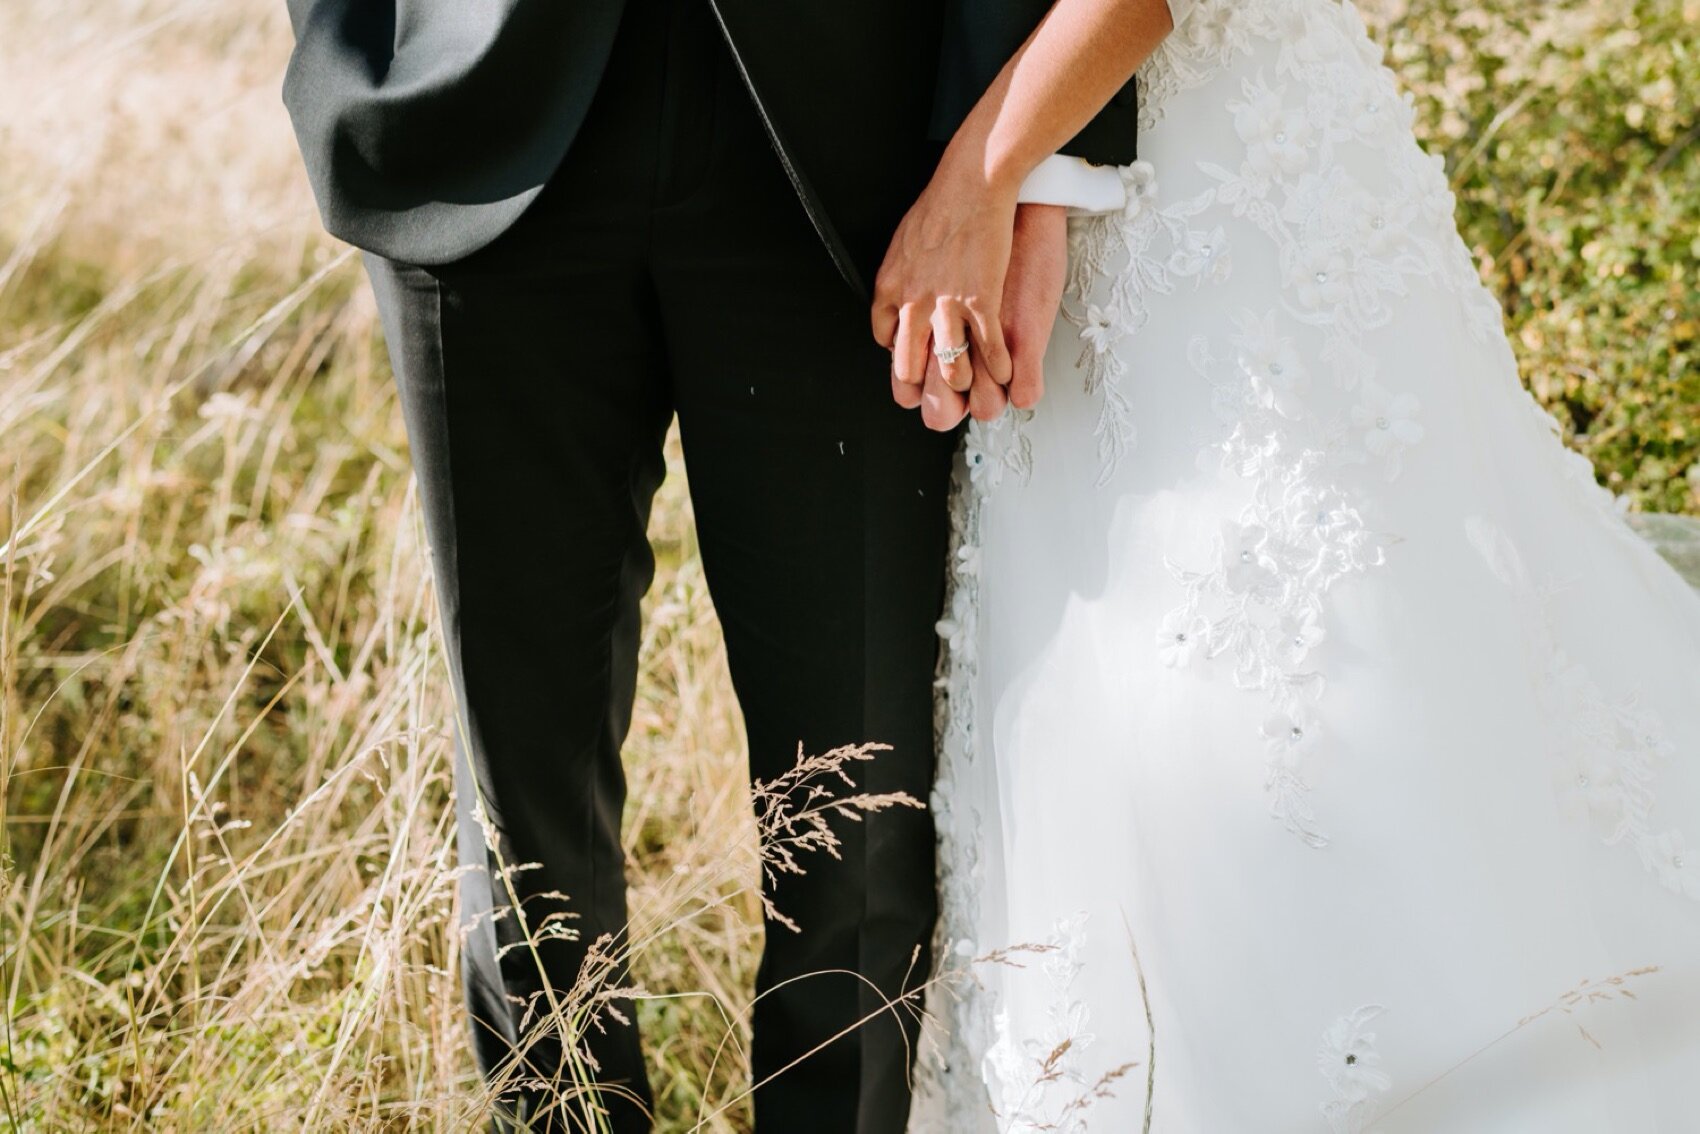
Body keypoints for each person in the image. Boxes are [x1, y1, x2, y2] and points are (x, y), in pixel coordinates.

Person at [279, 0, 1135, 1129]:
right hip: (475, 114)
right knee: (519, 794)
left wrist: (1016, 166)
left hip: (846, 146)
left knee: (854, 797)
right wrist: (353, 49)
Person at [883, 0, 1700, 1129]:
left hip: (1226, 201)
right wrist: (1019, 177)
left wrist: (983, 178)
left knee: (1301, 698)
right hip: (1087, 179)